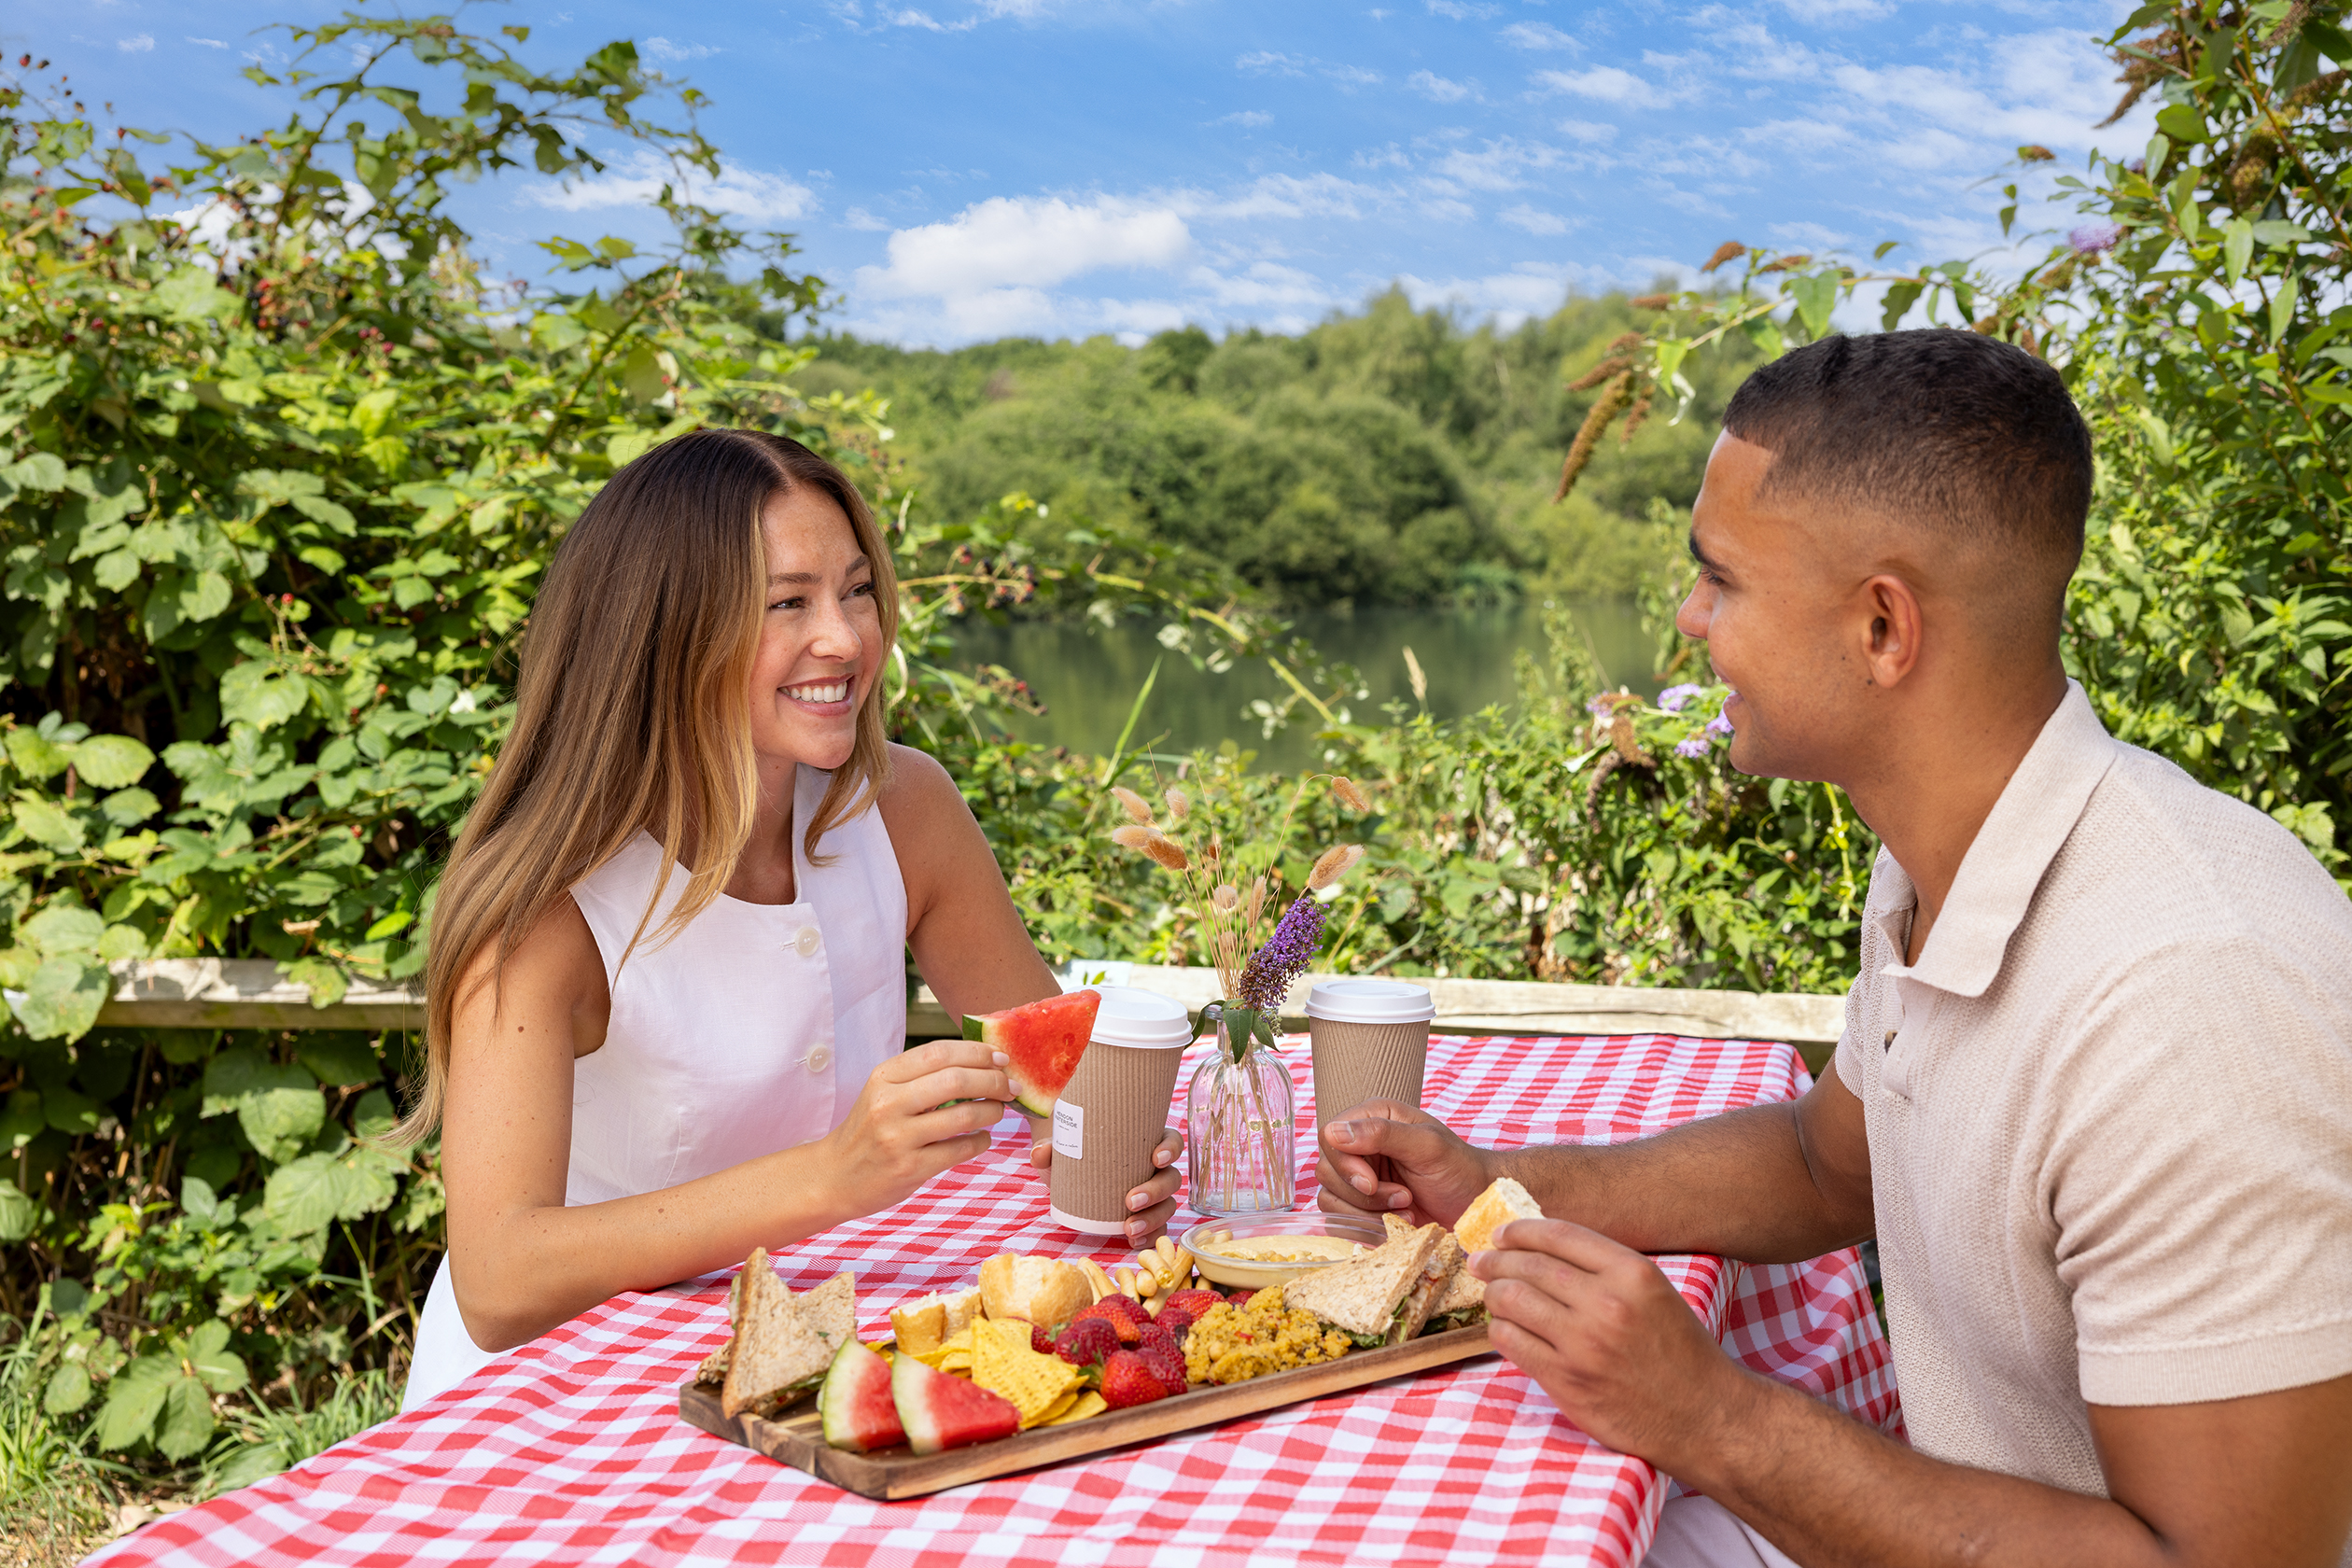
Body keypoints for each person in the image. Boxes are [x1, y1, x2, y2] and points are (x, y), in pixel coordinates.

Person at [1317, 331, 2352, 1566]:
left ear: (1881, 628)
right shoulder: (1946, 848)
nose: (1690, 623)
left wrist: (1713, 1419)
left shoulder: (2188, 1003)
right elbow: (1828, 1163)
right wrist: (1498, 1185)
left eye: (1723, 582)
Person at [395, 429, 1181, 1411]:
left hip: (817, 1368)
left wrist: (1100, 1142)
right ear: (665, 633)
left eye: (856, 591)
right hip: (563, 1391)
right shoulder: (546, 912)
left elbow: (1058, 1085)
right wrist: (834, 1176)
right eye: (787, 604)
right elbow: (499, 1280)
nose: (847, 639)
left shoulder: (905, 811)